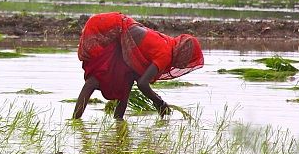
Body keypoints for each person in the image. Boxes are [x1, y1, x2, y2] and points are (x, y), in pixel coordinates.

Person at [71, 12, 204, 120]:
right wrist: (159, 101)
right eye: (186, 60)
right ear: (182, 54)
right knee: (95, 80)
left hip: (116, 29)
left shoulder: (167, 42)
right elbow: (143, 84)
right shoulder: (165, 54)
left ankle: (118, 121)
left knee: (127, 79)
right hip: (108, 27)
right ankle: (75, 122)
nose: (182, 64)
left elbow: (137, 73)